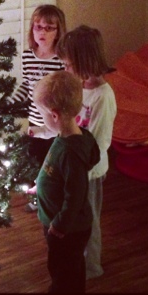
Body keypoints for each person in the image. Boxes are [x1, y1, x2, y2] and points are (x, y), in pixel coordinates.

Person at [54, 24, 117, 280]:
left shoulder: (103, 97)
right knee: (75, 218)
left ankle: (92, 267)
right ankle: (77, 256)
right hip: (75, 169)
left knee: (89, 220)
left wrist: (78, 171)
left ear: (84, 61)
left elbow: (98, 144)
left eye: (68, 65)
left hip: (89, 173)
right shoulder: (80, 87)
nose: (65, 69)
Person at [33, 71, 100, 293]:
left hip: (66, 230)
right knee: (71, 266)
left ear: (54, 115)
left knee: (63, 269)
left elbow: (76, 195)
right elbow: (56, 171)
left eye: (41, 113)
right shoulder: (66, 137)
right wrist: (40, 184)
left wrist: (60, 225)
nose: (41, 117)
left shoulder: (72, 152)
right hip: (61, 224)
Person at [10, 5, 66, 210]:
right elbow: (26, 84)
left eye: (49, 28)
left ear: (58, 32)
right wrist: (13, 103)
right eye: (38, 27)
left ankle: (52, 198)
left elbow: (64, 90)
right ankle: (37, 197)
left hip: (53, 123)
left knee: (51, 163)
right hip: (34, 119)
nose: (42, 32)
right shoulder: (28, 56)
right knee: (34, 160)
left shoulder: (60, 60)